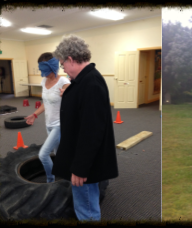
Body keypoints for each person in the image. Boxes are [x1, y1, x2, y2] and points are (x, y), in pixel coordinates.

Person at [51, 34, 118, 221]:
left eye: (63, 63)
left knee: (86, 208)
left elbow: (92, 131)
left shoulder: (91, 83)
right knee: (85, 202)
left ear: (71, 59)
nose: (63, 68)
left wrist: (80, 168)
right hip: (80, 156)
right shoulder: (83, 80)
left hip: (85, 165)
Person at [24, 52, 71, 183]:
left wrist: (67, 96)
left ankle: (51, 181)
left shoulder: (64, 82)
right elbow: (46, 102)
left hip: (59, 125)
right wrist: (34, 115)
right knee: (58, 153)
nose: (42, 73)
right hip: (48, 124)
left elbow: (73, 104)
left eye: (44, 70)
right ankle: (65, 174)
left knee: (43, 155)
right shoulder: (44, 80)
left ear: (52, 67)